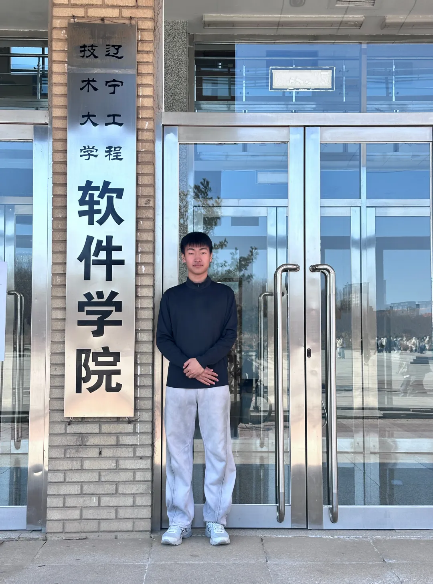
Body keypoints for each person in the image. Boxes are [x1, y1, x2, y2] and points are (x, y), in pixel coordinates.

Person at [156, 232, 237, 546]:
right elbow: (163, 339)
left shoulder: (224, 295)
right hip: (178, 384)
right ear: (183, 257)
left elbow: (229, 337)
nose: (197, 257)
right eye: (191, 252)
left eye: (203, 251)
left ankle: (216, 520)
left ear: (211, 256)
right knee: (178, 454)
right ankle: (179, 521)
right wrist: (189, 366)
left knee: (218, 451)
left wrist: (201, 364)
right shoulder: (171, 297)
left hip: (215, 382)